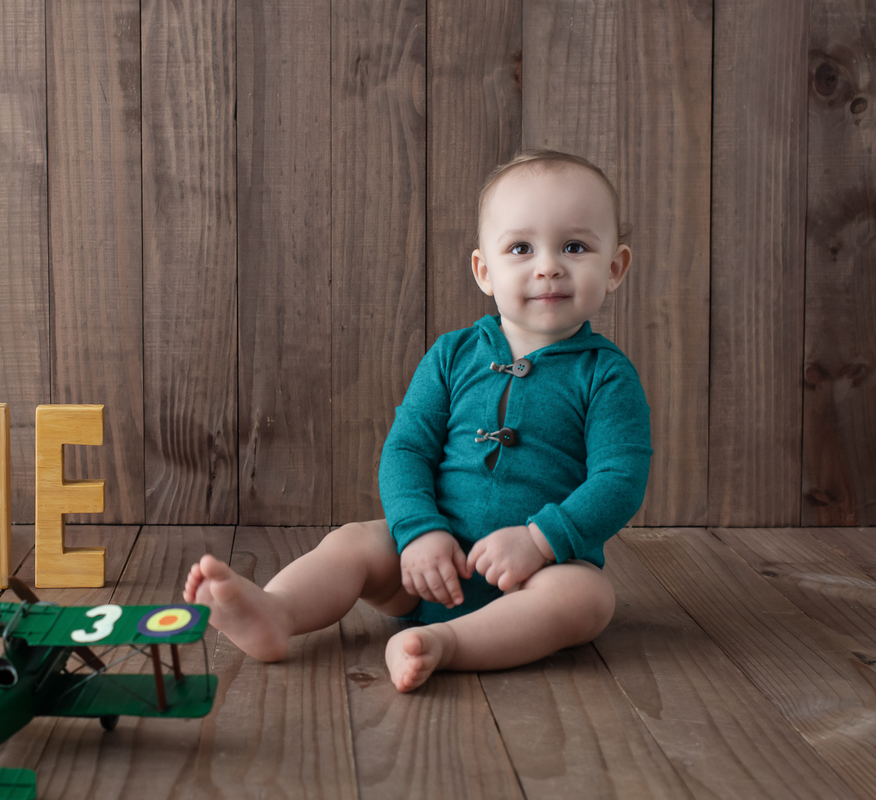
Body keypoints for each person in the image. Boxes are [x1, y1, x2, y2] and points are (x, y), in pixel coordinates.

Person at [184, 150, 652, 692]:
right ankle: (277, 611)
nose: (547, 265)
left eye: (575, 246)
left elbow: (619, 480)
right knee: (355, 542)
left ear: (615, 268)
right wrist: (419, 532)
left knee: (588, 599)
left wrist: (540, 541)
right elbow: (407, 451)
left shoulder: (607, 375)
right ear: (484, 270)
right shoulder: (452, 355)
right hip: (428, 564)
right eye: (521, 248)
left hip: (541, 572)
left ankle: (448, 645)